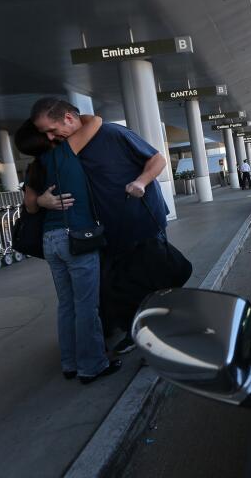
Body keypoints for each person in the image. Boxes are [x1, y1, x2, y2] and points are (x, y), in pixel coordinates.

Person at [31, 97, 169, 355]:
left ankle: (159, 337)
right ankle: (134, 332)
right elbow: (33, 191)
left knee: (151, 281)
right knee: (118, 285)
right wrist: (42, 200)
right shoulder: (68, 149)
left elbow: (157, 160)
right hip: (104, 233)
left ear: (70, 119)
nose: (50, 137)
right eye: (45, 133)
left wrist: (140, 182)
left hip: (141, 224)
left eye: (52, 129)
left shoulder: (112, 133)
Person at [15, 115, 123, 385]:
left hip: (50, 240)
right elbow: (95, 120)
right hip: (76, 237)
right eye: (48, 132)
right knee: (87, 305)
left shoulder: (36, 166)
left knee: (67, 305)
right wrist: (60, 120)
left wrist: (42, 200)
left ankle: (71, 363)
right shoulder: (66, 151)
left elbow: (30, 205)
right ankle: (92, 366)